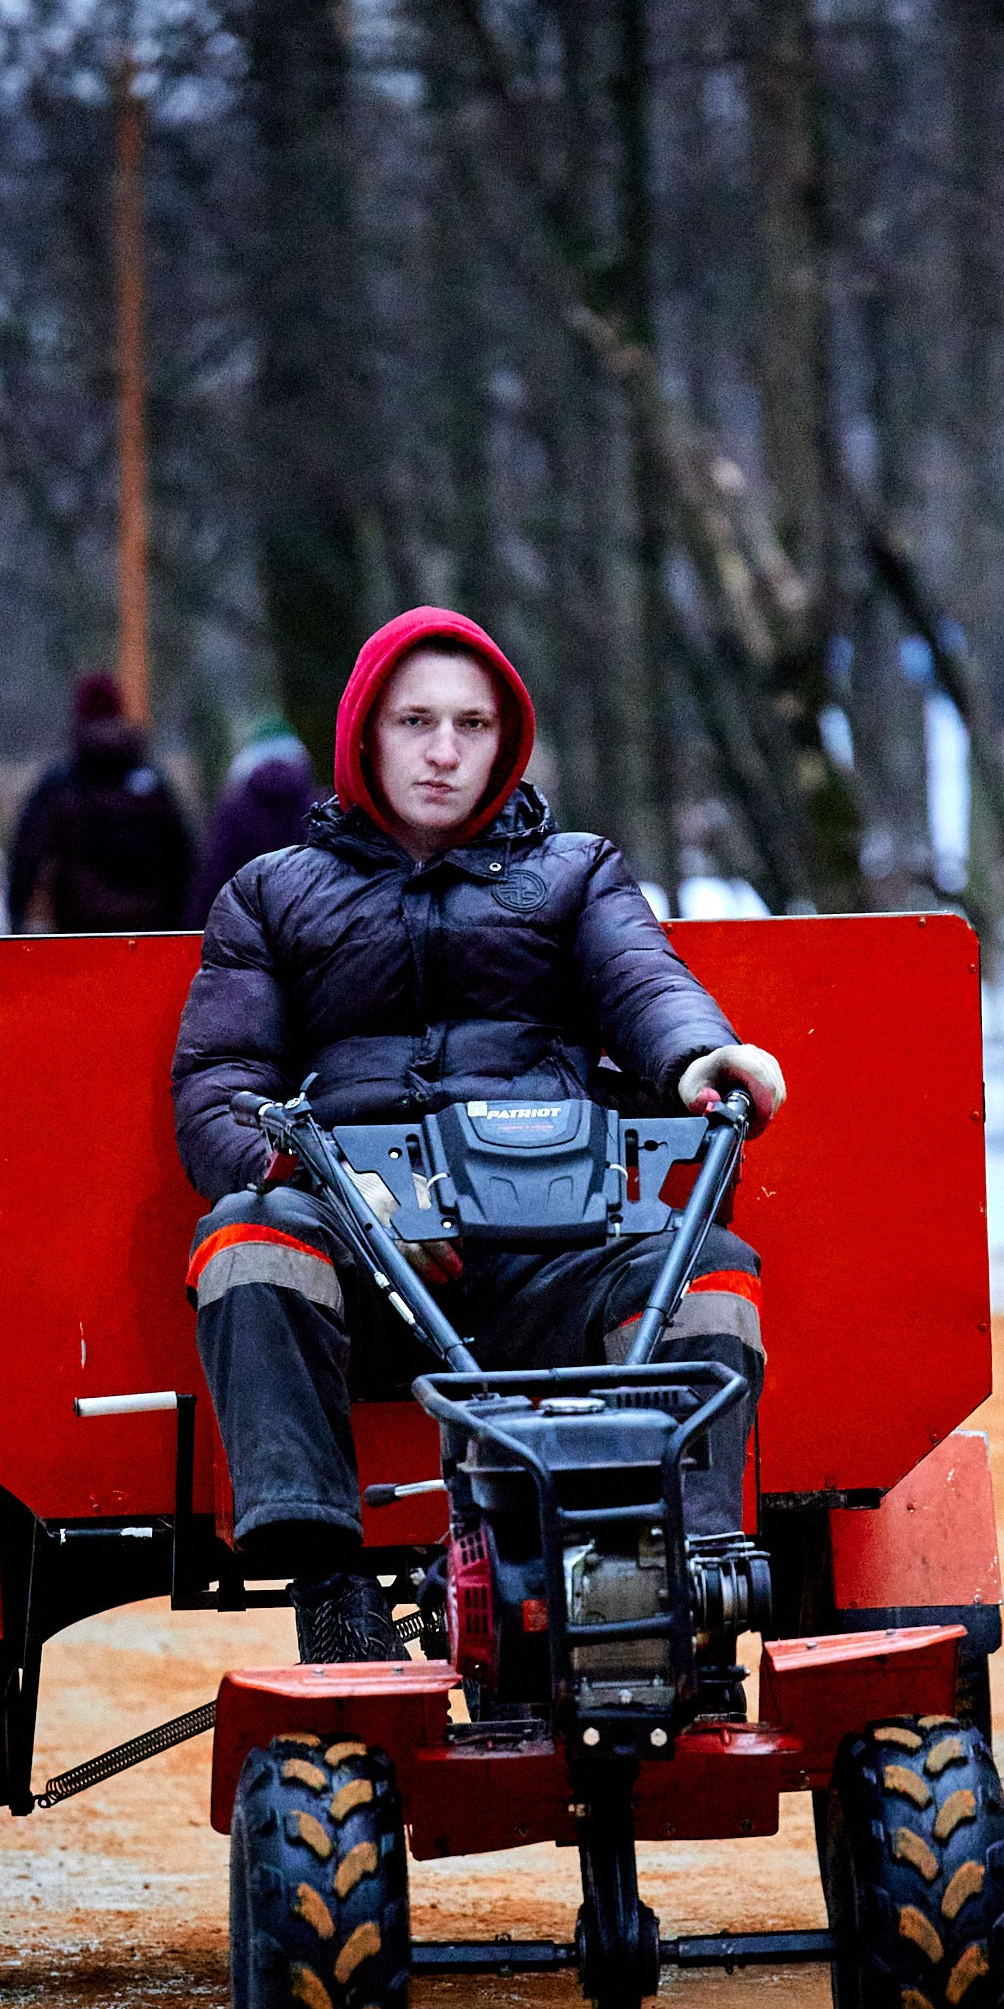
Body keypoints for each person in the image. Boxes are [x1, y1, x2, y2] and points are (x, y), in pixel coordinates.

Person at [170, 606, 786, 1663]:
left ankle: (685, 1571)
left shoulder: (576, 872)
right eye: (414, 721)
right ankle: (332, 1595)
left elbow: (643, 981)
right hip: (370, 1271)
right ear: (363, 734)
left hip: (552, 1262)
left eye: (472, 723)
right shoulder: (268, 895)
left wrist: (700, 1058)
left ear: (507, 740)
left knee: (710, 1272)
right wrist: (315, 1189)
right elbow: (219, 1081)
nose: (444, 751)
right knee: (246, 1239)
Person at [6, 672, 193, 933]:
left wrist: (16, 923)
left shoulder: (60, 784)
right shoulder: (153, 783)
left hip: (80, 937)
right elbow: (184, 858)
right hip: (152, 934)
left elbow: (26, 858)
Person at [187, 717, 318, 926]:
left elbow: (215, 876)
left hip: (244, 932)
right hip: (307, 931)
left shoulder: (234, 809)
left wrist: (196, 927)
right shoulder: (318, 806)